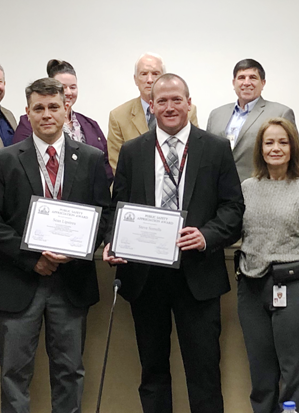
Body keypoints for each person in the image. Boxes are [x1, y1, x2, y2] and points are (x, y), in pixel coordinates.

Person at [104, 73, 244, 413]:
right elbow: (117, 207)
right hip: (146, 278)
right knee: (152, 371)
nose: (169, 107)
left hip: (198, 276)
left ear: (189, 103)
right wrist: (113, 241)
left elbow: (233, 208)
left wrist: (207, 235)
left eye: (176, 100)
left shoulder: (215, 147)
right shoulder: (133, 151)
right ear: (151, 106)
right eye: (161, 101)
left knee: (205, 372)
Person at [0, 78, 112, 413]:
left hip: (70, 281)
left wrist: (77, 249)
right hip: (17, 281)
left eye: (53, 107)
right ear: (28, 113)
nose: (47, 114)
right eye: (39, 108)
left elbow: (104, 215)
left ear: (66, 109)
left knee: (70, 371)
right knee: (14, 374)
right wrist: (30, 257)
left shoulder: (92, 158)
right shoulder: (3, 159)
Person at [237, 117, 299, 413]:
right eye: (269, 142)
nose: (275, 148)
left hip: (293, 288)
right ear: (260, 149)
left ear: (293, 148)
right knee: (261, 375)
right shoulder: (247, 188)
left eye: (283, 142)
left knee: (293, 374)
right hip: (251, 288)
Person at [14, 59, 113, 183]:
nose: (68, 92)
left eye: (73, 87)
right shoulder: (30, 123)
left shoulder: (90, 124)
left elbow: (105, 166)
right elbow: (21, 163)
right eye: (63, 87)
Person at [106, 52, 199, 171]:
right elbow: (118, 167)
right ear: (135, 79)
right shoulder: (118, 116)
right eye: (144, 74)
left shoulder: (187, 111)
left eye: (155, 74)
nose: (149, 80)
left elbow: (195, 153)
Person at [207, 58, 295, 182]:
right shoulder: (216, 115)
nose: (246, 83)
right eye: (241, 77)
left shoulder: (281, 113)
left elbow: (293, 156)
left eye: (253, 77)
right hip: (219, 189)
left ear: (263, 83)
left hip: (261, 187)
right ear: (234, 83)